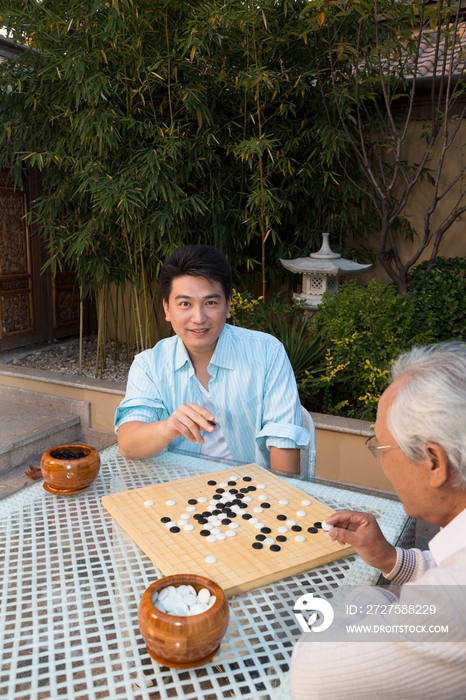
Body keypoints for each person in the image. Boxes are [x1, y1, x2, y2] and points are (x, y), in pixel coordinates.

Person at [291, 341, 466, 700]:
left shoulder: (449, 604)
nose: (381, 462)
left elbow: (312, 674)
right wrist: (391, 560)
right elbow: (450, 563)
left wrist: (372, 596)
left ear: (434, 463)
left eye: (382, 448)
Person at [115, 244, 311, 476]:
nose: (199, 318)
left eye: (210, 303)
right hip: (178, 492)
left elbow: (284, 445)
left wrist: (277, 506)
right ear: (167, 309)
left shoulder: (267, 353)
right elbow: (127, 443)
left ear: (228, 305)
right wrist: (168, 428)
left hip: (253, 493)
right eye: (185, 304)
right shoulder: (149, 365)